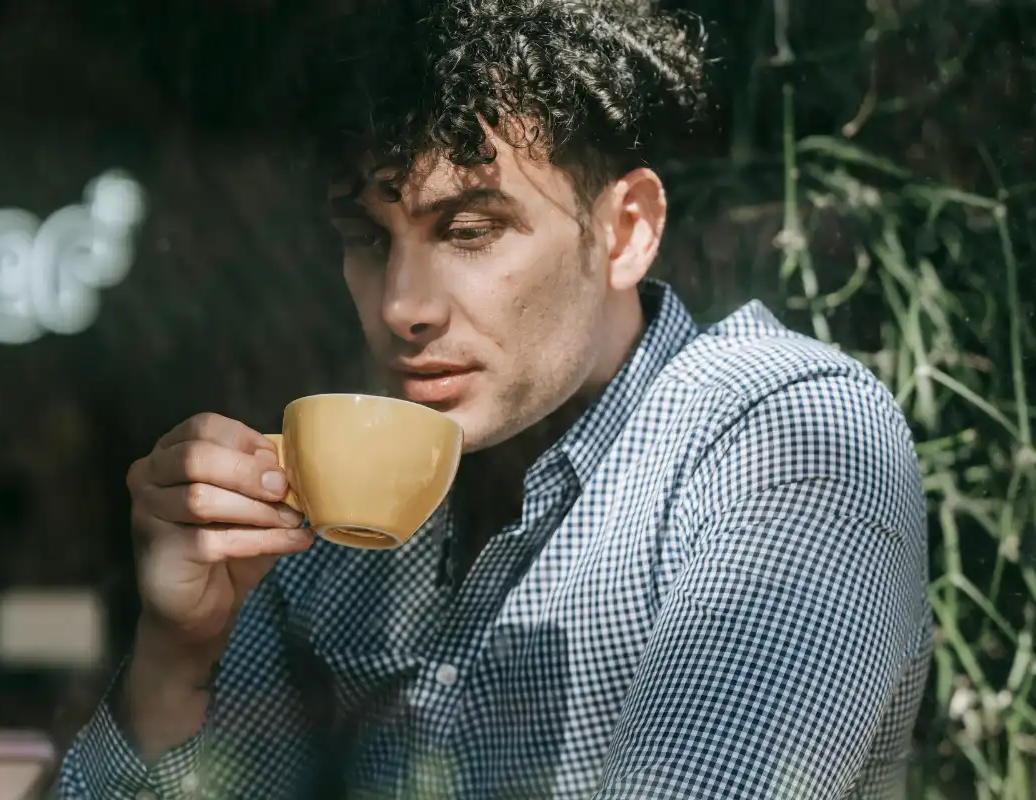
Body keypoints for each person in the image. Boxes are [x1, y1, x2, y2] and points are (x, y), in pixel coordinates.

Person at [58, 1, 931, 797]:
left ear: (627, 232)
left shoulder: (784, 438)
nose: (403, 306)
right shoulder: (334, 508)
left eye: (470, 231)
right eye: (367, 238)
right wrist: (176, 662)